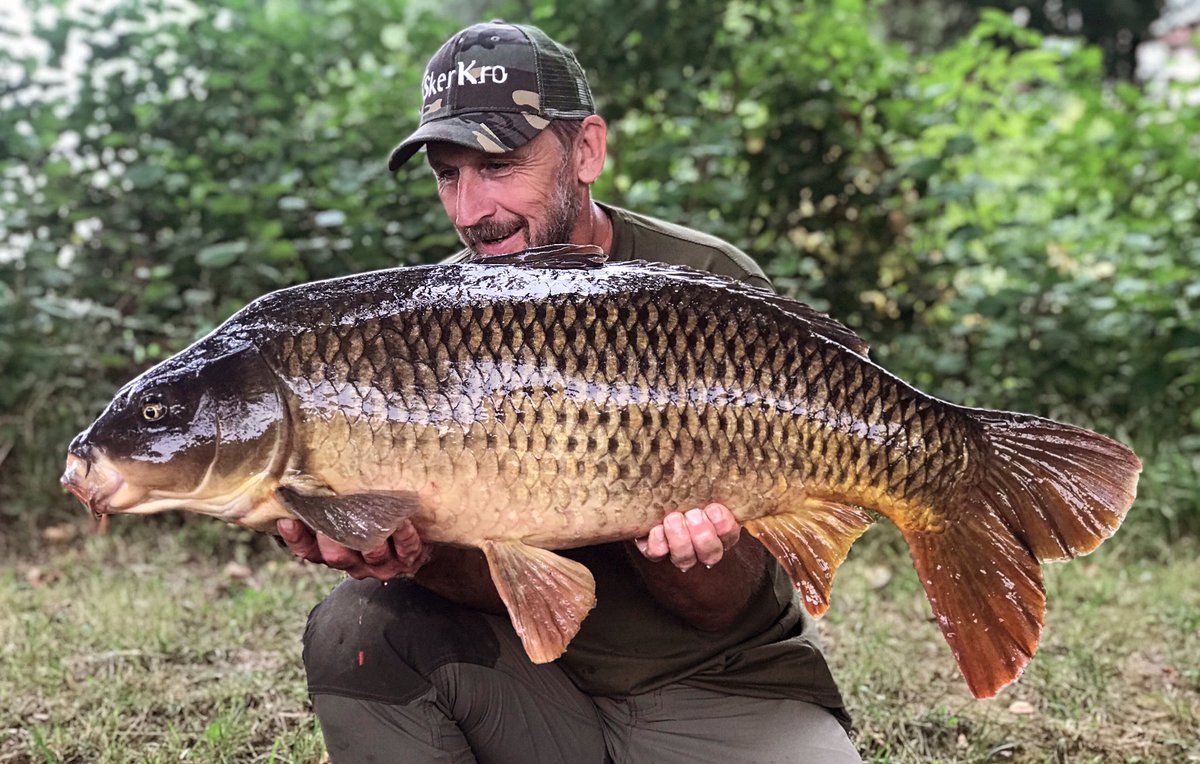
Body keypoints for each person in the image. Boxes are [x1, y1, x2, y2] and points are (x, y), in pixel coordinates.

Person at [279, 20, 861, 763]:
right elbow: (493, 571)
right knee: (356, 626)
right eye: (448, 174)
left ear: (586, 149)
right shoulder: (429, 322)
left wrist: (678, 545)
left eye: (498, 165)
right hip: (533, 691)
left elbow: (726, 611)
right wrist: (407, 552)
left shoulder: (706, 287)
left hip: (719, 685)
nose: (469, 211)